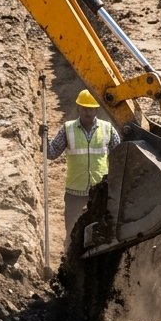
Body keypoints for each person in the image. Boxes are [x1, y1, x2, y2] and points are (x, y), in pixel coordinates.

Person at [45, 90, 121, 248]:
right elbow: (51, 153)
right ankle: (68, 258)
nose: (87, 112)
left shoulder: (108, 129)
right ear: (78, 108)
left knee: (100, 234)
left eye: (91, 108)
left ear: (96, 109)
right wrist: (43, 139)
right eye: (84, 108)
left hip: (100, 192)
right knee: (72, 233)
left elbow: (119, 158)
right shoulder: (68, 129)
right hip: (75, 192)